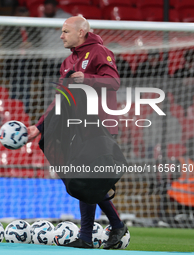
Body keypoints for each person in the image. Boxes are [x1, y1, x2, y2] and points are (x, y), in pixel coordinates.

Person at [27, 16, 127, 249]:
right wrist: (38, 126)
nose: (61, 36)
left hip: (100, 124)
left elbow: (113, 82)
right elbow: (61, 99)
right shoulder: (68, 61)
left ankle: (87, 236)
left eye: (65, 31)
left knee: (85, 177)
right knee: (83, 178)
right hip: (77, 125)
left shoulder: (100, 52)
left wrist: (88, 79)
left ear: (81, 32)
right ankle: (111, 227)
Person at [2, 3, 41, 112]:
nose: (23, 14)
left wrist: (31, 45)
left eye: (24, 12)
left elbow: (38, 41)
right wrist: (18, 45)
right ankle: (14, 108)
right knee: (15, 86)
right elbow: (5, 42)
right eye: (20, 11)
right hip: (14, 60)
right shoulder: (10, 27)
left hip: (28, 61)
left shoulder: (33, 28)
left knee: (26, 86)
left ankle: (25, 110)